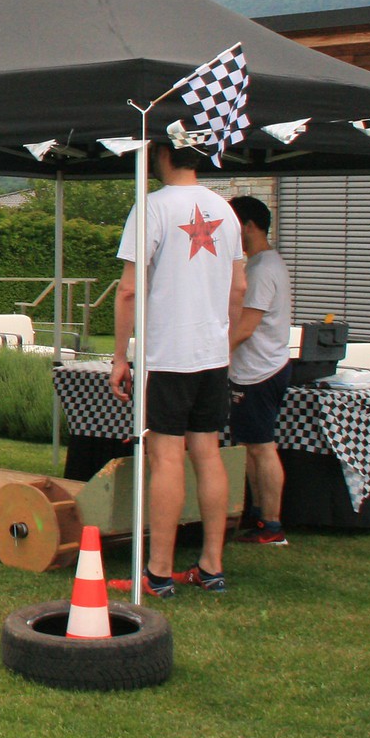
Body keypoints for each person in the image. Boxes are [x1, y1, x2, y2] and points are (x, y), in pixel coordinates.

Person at [109, 144, 246, 598]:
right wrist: (219, 341)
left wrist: (120, 356)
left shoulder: (150, 207)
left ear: (163, 154)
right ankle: (212, 565)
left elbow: (128, 291)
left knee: (166, 457)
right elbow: (239, 286)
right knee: (207, 454)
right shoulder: (225, 209)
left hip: (169, 354)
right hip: (211, 356)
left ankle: (160, 571)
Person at [228, 195, 293, 546]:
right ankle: (258, 517)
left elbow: (246, 327)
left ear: (249, 226)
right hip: (255, 370)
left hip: (260, 371)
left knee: (262, 446)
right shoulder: (261, 265)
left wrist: (216, 356)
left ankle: (272, 524)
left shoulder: (264, 269)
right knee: (251, 446)